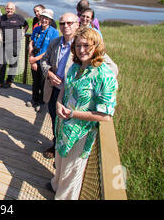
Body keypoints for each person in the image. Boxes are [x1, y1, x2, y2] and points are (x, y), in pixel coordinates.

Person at [47, 27, 118, 200]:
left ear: (96, 46)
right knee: (61, 163)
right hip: (63, 127)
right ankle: (55, 185)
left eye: (86, 45)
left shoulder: (104, 75)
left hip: (81, 133)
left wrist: (73, 114)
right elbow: (65, 88)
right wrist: (58, 103)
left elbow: (106, 115)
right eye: (78, 45)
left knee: (72, 171)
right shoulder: (75, 67)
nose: (82, 50)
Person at [40, 12, 118, 159]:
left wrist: (90, 79)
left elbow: (112, 68)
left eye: (69, 23)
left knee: (71, 124)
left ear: (77, 24)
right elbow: (44, 61)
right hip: (54, 91)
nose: (65, 26)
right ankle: (56, 145)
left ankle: (68, 155)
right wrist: (49, 73)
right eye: (62, 23)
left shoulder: (84, 45)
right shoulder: (55, 43)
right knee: (55, 119)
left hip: (74, 95)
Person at [27, 9, 59, 111]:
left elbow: (49, 50)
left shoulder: (54, 32)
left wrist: (35, 59)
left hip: (45, 62)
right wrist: (31, 57)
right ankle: (34, 99)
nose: (44, 20)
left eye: (47, 18)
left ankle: (41, 102)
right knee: (35, 81)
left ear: (50, 20)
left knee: (43, 82)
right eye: (43, 17)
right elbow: (32, 42)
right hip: (34, 59)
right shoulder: (36, 29)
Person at [0, 2, 28, 90]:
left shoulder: (19, 17)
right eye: (8, 8)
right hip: (4, 43)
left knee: (13, 63)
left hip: (15, 43)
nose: (9, 10)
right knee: (1, 63)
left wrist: (23, 32)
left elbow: (26, 25)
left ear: (14, 9)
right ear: (5, 9)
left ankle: (9, 82)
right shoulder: (2, 18)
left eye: (11, 9)